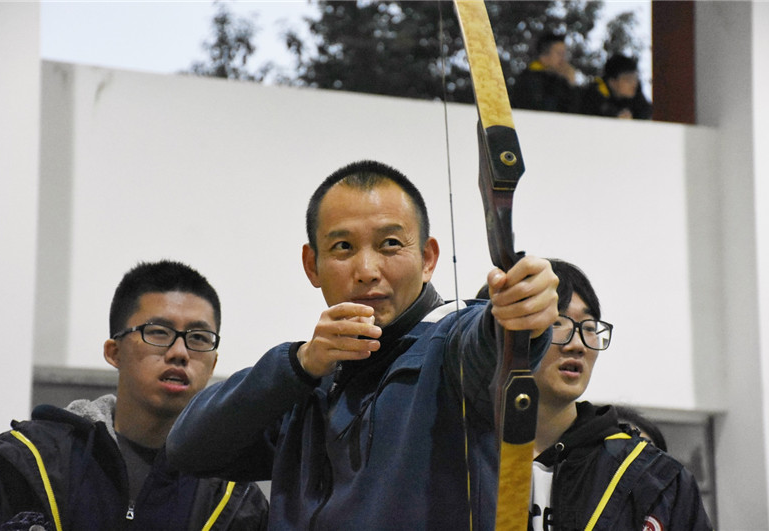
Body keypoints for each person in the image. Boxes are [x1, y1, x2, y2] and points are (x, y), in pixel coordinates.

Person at [167, 160, 560, 530]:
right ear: (312, 265)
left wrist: (518, 314)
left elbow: (492, 345)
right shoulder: (309, 377)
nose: (367, 271)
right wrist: (299, 364)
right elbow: (189, 448)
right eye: (343, 247)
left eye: (390, 243)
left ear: (427, 258)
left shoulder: (453, 341)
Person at [0, 260, 268, 530]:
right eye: (159, 332)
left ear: (213, 364)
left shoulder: (235, 501)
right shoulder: (27, 461)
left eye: (199, 338)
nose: (180, 353)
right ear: (114, 352)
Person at [529, 258, 711, 530]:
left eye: (589, 328)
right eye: (557, 322)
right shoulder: (471, 460)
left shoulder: (655, 478)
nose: (578, 345)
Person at [510, 32, 580, 113]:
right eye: (559, 53)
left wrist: (571, 83)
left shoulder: (560, 81)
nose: (563, 59)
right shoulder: (529, 79)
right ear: (543, 56)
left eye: (564, 54)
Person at [580, 54, 653, 120]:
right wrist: (615, 115)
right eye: (628, 79)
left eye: (635, 78)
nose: (634, 84)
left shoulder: (637, 95)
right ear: (612, 82)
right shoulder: (594, 94)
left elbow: (646, 111)